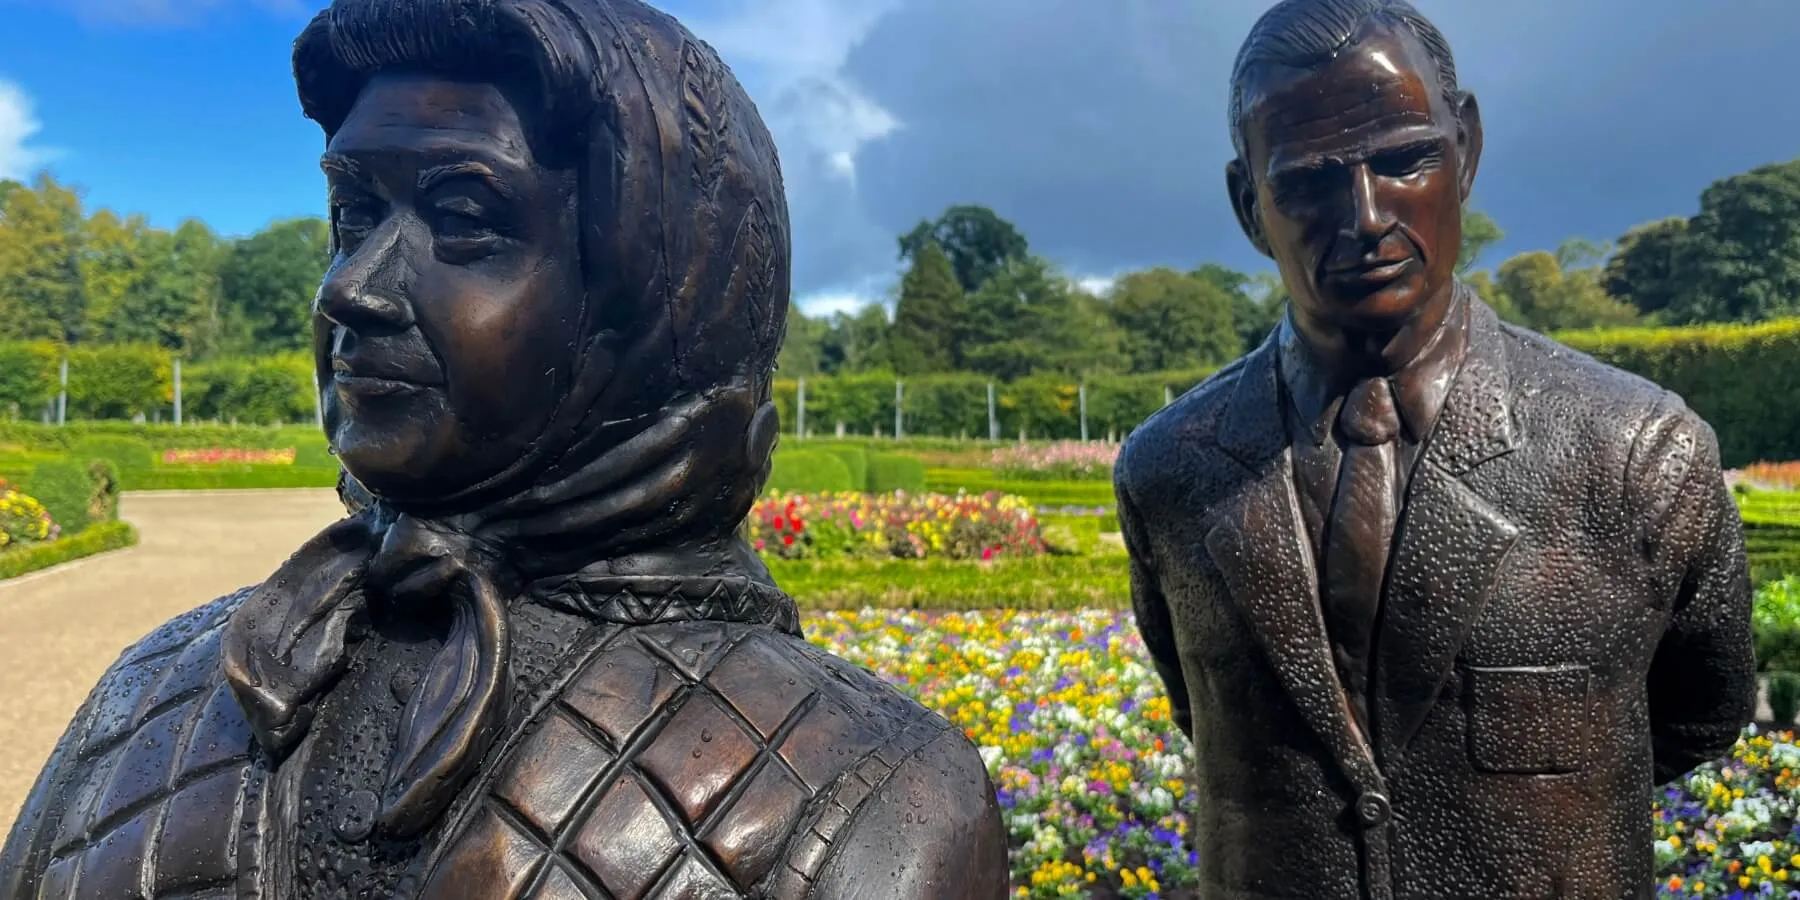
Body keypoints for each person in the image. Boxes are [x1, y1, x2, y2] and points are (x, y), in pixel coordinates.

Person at [0, 1, 1010, 897]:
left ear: (659, 294)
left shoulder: (869, 794)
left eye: (464, 220)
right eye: (354, 213)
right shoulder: (150, 694)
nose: (348, 287)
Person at [1113, 0, 1756, 896]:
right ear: (1247, 205)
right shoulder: (1168, 472)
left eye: (1404, 157)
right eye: (1306, 182)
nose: (1366, 215)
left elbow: (1699, 717)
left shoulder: (1637, 454)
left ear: (1468, 149)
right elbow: (1206, 713)